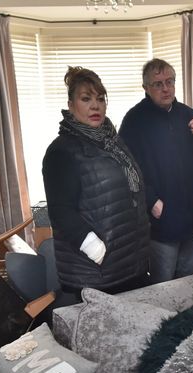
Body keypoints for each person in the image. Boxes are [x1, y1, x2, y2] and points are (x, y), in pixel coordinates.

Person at [42, 66, 149, 305]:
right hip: (97, 271)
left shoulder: (112, 142)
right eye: (86, 98)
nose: (95, 106)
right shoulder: (62, 151)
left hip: (130, 263)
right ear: (71, 105)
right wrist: (94, 248)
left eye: (100, 99)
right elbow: (60, 211)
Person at [119, 59, 193, 283]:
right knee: (163, 288)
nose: (166, 88)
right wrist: (150, 200)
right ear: (146, 88)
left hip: (191, 218)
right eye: (158, 84)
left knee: (190, 285)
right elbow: (124, 168)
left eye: (169, 81)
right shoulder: (134, 120)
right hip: (160, 222)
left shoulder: (188, 115)